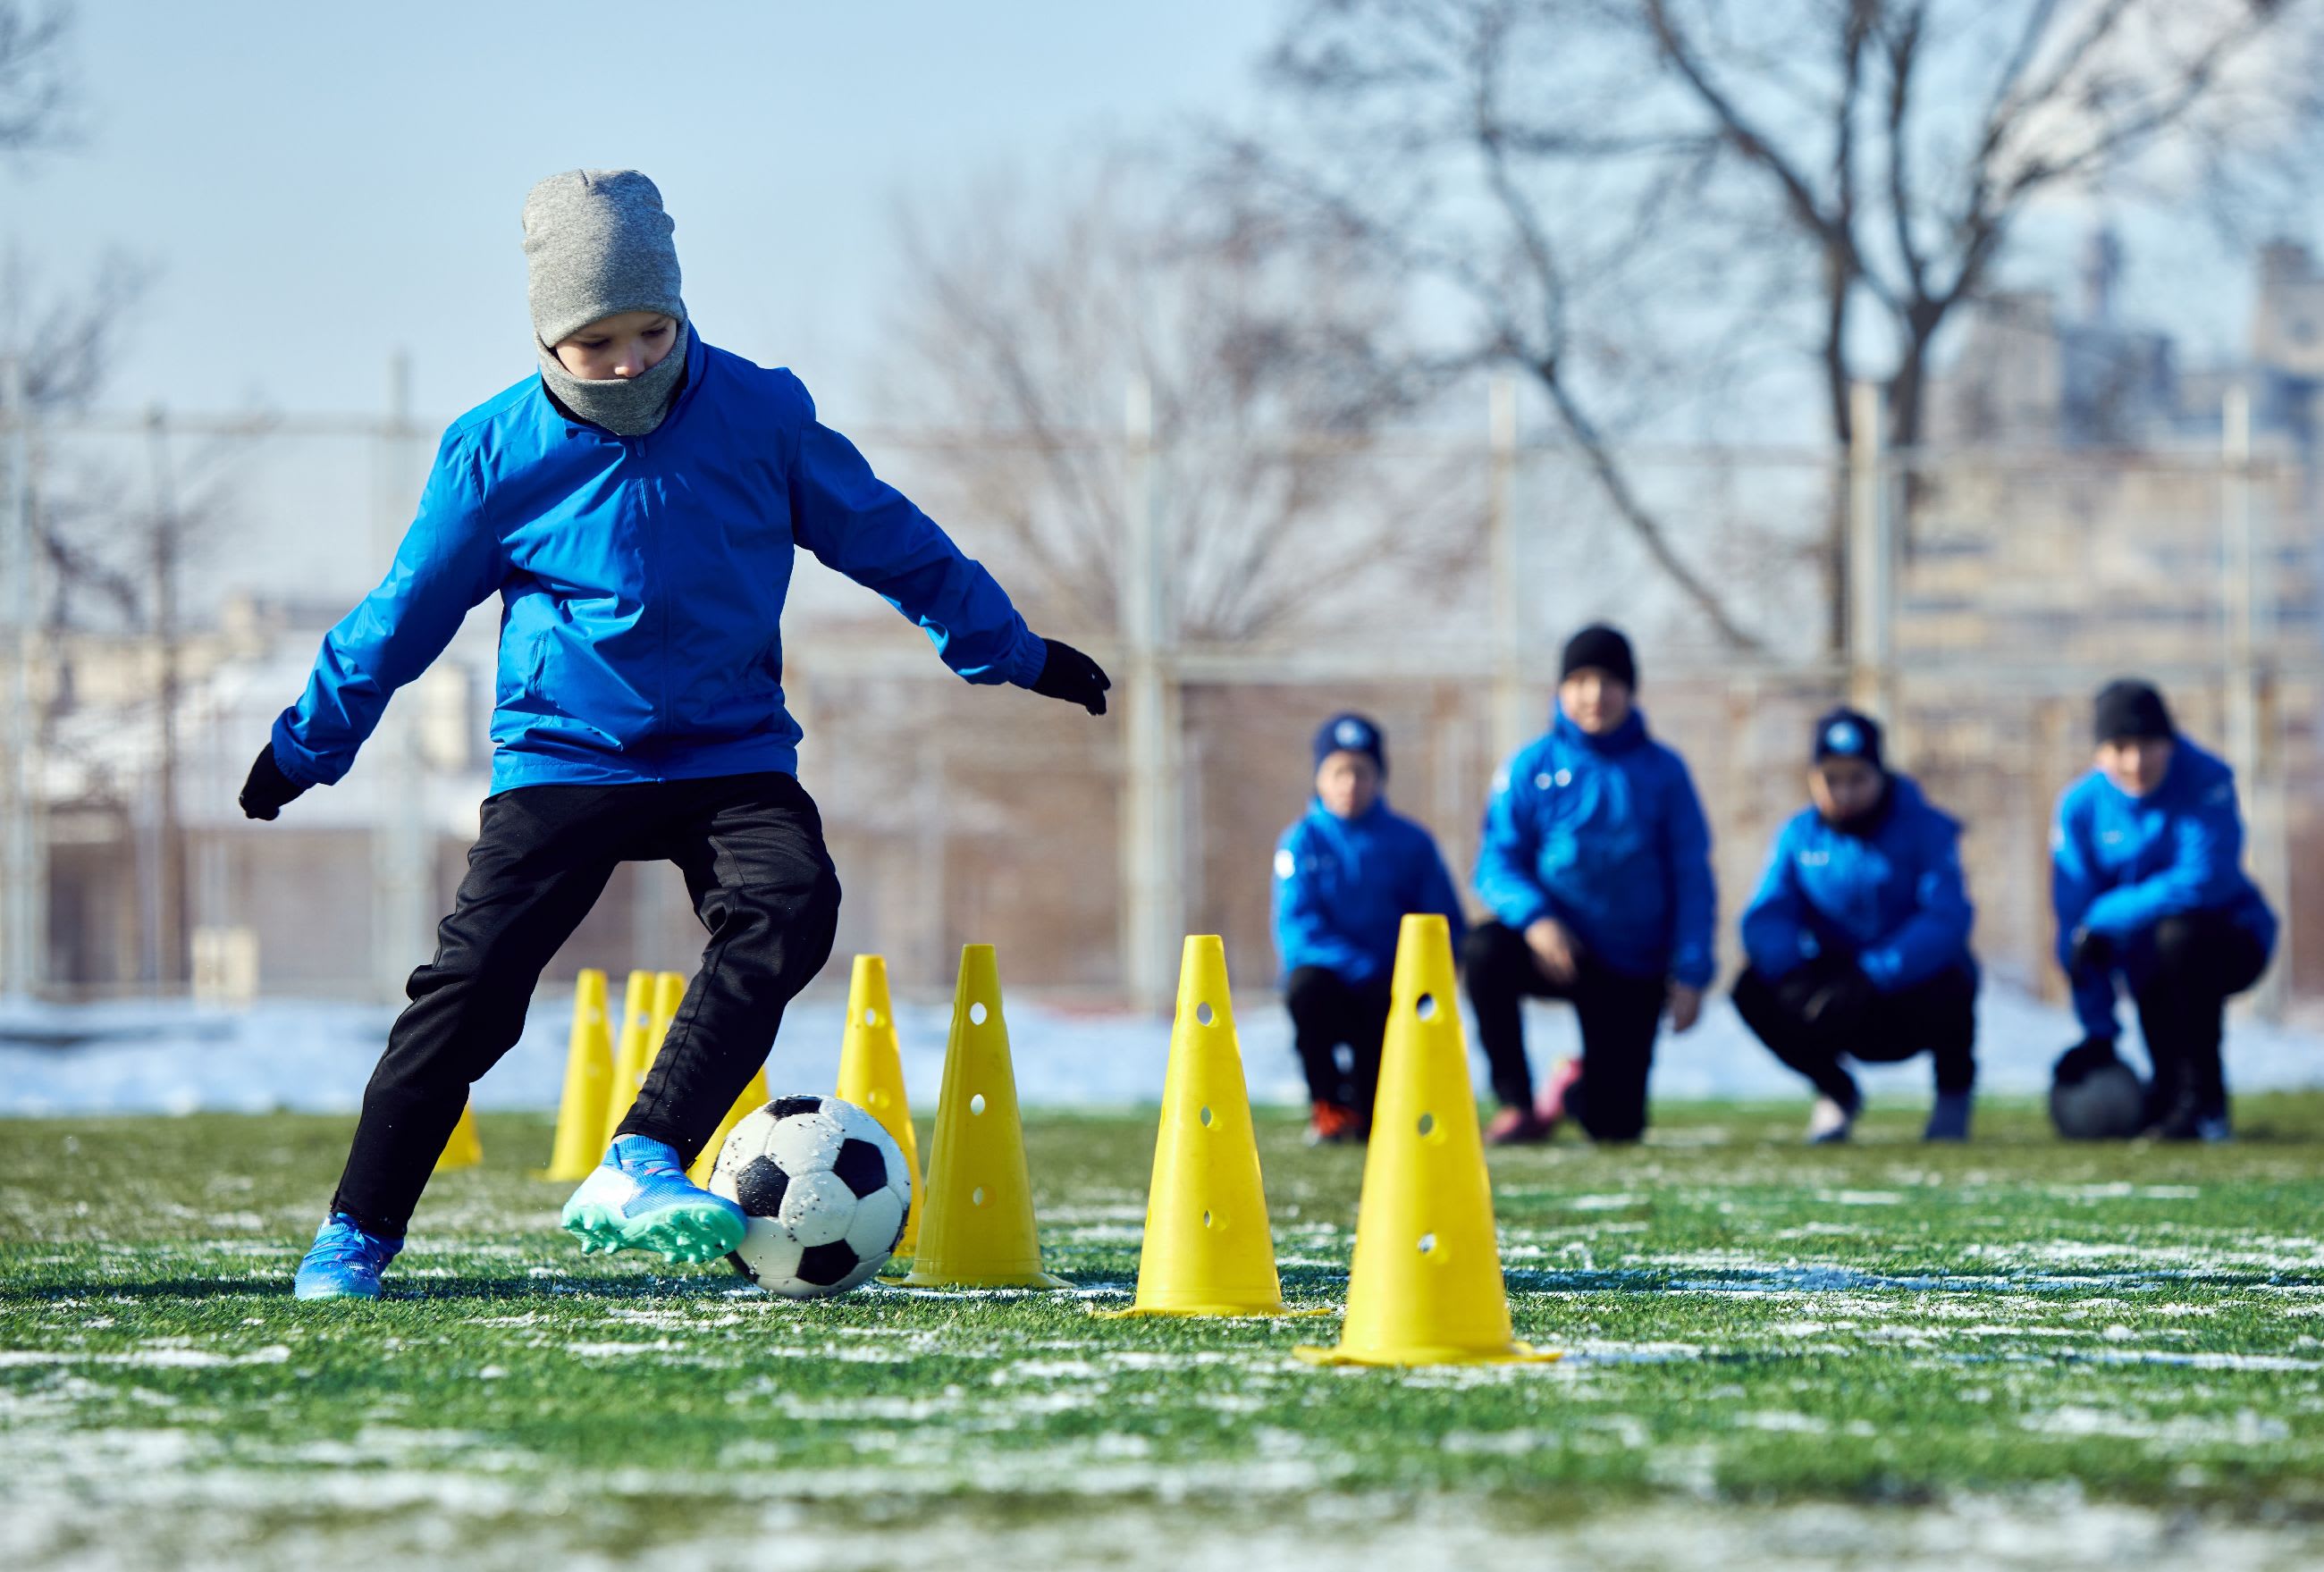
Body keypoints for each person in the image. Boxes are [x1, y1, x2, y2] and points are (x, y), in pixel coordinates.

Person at [244, 171, 1110, 1299]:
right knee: (472, 992)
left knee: (791, 906)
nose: (632, 363)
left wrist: (1012, 648)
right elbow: (400, 614)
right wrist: (308, 743)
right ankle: (354, 1234)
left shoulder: (760, 416)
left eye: (652, 331)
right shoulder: (492, 454)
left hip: (727, 751)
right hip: (567, 754)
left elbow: (893, 540)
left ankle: (642, 1156)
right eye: (598, 343)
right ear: (551, 340)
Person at [1461, 625, 1714, 1144]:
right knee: (1484, 950)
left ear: (1630, 689)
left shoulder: (1664, 773)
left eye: (1608, 681)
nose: (1594, 695)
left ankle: (1575, 1088)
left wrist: (1690, 972)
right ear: (1561, 690)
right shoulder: (1531, 768)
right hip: (1556, 950)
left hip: (1631, 962)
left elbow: (1692, 877)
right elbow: (1495, 863)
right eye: (1579, 680)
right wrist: (1538, 921)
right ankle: (1516, 1102)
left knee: (1615, 1128)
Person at [1731, 709, 1978, 1144]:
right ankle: (1835, 1091)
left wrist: (1873, 973)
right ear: (1813, 779)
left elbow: (1946, 918)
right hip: (1837, 995)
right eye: (1831, 779)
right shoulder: (1798, 836)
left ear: (1880, 774)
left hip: (1904, 991)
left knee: (1956, 978)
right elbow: (1769, 911)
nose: (1844, 792)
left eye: (1857, 778)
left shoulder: (1927, 829)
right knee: (1752, 988)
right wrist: (1789, 972)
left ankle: (1953, 1094)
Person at [2051, 679, 2275, 1142]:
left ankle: (2205, 1101)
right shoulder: (2079, 808)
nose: (2135, 762)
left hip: (2231, 937)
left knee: (2178, 938)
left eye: (2149, 744)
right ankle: (2170, 1093)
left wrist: (2106, 917)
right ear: (2099, 753)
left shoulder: (2207, 779)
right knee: (2150, 949)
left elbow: (2203, 879)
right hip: (2143, 950)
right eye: (2120, 747)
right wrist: (2099, 1033)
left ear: (2169, 742)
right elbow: (2075, 927)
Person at [1272, 713, 1467, 1143]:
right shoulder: (1301, 842)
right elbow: (1297, 930)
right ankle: (1327, 1104)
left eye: (1361, 771)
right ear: (1320, 777)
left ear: (1379, 777)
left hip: (1390, 989)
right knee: (1304, 988)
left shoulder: (1412, 843)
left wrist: (1422, 973)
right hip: (1336, 982)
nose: (1350, 783)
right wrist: (1360, 966)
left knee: (1376, 1120)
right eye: (1339, 771)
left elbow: (1444, 922)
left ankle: (1369, 1101)